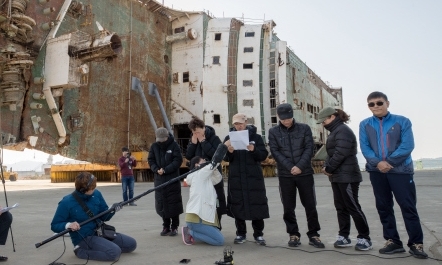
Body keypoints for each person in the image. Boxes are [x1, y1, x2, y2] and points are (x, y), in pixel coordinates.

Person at [359, 91, 428, 259]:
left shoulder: (402, 121)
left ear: (387, 103)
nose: (375, 106)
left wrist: (388, 163)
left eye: (379, 103)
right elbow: (365, 147)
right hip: (377, 172)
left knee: (408, 207)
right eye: (371, 104)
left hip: (400, 172)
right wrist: (378, 163)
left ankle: (416, 243)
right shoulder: (364, 124)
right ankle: (393, 241)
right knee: (383, 207)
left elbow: (407, 145)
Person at [268, 103, 324, 248]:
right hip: (285, 175)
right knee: (288, 206)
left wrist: (299, 166)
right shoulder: (273, 132)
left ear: (293, 115)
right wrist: (290, 167)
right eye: (284, 119)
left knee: (310, 205)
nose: (287, 121)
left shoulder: (304, 128)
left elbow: (309, 148)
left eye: (289, 118)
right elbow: (275, 152)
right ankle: (293, 234)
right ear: (278, 117)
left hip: (304, 173)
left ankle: (314, 234)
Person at [317, 107, 372, 251]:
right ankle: (344, 236)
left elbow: (341, 153)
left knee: (353, 207)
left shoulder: (343, 131)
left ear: (332, 117)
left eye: (324, 120)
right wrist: (326, 166)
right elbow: (331, 153)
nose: (323, 124)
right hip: (337, 176)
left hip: (347, 176)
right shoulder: (335, 132)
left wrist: (329, 169)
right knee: (341, 207)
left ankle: (364, 238)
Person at [51, 172, 137, 261]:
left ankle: (104, 246)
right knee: (114, 253)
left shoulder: (97, 194)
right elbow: (55, 225)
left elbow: (104, 217)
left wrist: (112, 210)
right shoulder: (67, 202)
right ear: (84, 189)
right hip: (84, 238)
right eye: (92, 187)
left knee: (131, 244)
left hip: (100, 232)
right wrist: (68, 225)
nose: (95, 188)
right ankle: (80, 250)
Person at [222, 113, 269, 245]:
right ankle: (241, 234)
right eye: (236, 124)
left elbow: (263, 156)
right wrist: (229, 152)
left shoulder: (256, 137)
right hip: (236, 178)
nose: (239, 126)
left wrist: (254, 150)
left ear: (246, 122)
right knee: (238, 206)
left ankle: (258, 234)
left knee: (257, 205)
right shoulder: (228, 138)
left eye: (241, 123)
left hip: (253, 178)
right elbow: (224, 157)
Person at [185, 116, 227, 228]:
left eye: (198, 132)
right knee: (199, 201)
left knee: (217, 200)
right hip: (198, 177)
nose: (196, 134)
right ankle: (201, 225)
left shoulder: (214, 138)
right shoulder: (193, 139)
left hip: (213, 175)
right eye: (194, 132)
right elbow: (189, 156)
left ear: (203, 128)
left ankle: (217, 225)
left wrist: (203, 142)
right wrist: (193, 144)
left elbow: (216, 155)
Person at [148, 127, 184, 237]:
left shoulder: (174, 146)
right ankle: (166, 226)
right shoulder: (154, 146)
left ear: (167, 137)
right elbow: (151, 160)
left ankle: (174, 226)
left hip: (172, 179)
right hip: (159, 180)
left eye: (162, 139)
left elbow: (178, 160)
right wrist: (156, 169)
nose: (160, 141)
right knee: (162, 203)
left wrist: (166, 169)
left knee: (173, 203)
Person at [181, 156, 224, 246]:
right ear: (197, 165)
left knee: (217, 235)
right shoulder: (199, 174)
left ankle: (193, 233)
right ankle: (191, 233)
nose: (206, 162)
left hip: (201, 219)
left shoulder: (205, 178)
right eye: (203, 161)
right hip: (196, 220)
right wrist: (219, 155)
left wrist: (215, 169)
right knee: (220, 241)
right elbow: (212, 165)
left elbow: (217, 179)